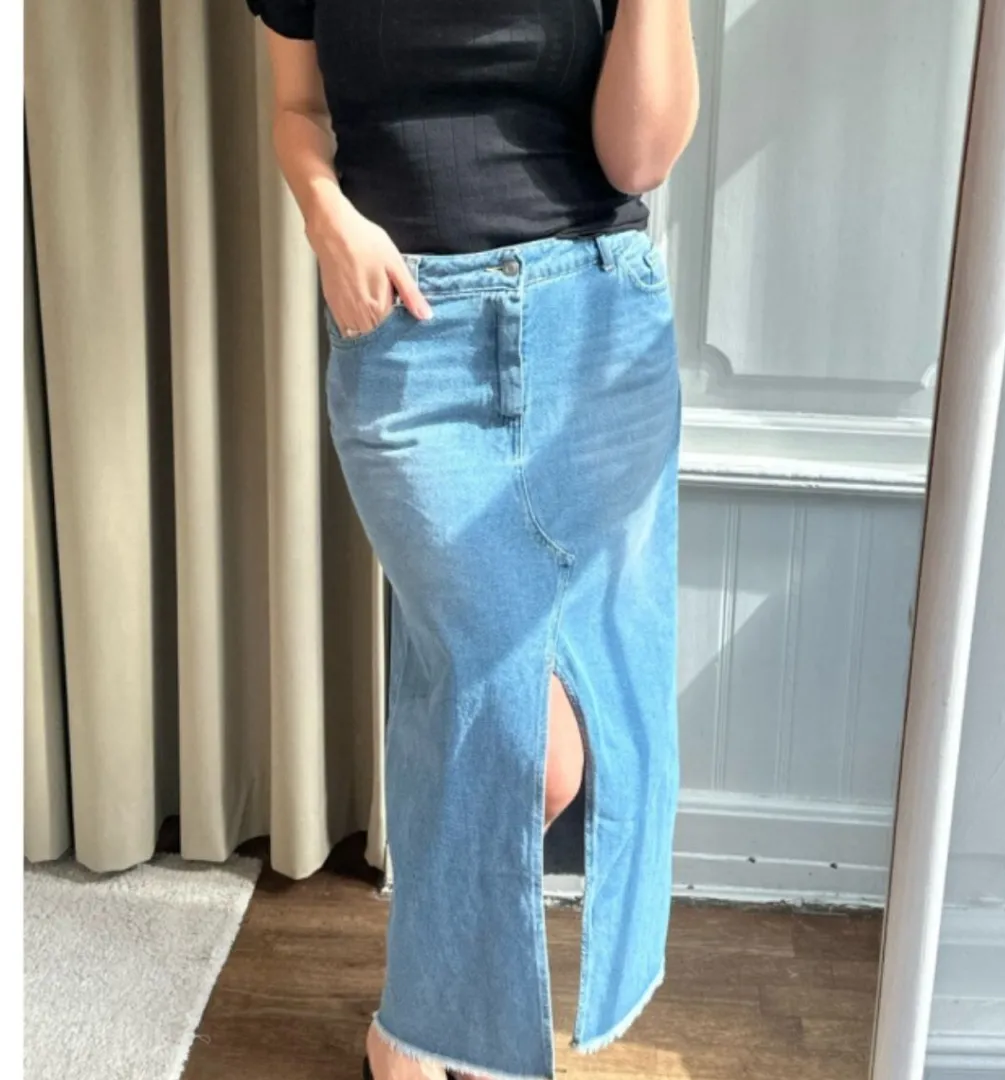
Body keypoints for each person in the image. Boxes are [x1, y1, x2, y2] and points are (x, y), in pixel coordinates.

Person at [248, 2, 698, 1077]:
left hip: (598, 340)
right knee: (518, 747)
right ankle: (432, 1021)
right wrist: (327, 217)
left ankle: (416, 1026)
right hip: (413, 346)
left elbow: (638, 157)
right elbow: (297, 107)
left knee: (558, 731)